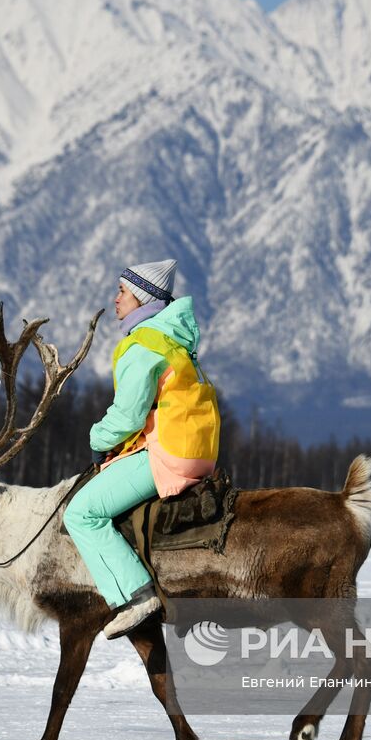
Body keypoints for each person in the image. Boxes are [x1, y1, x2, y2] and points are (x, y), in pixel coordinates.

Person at [62, 258, 221, 639]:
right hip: (198, 451)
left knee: (81, 513)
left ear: (141, 298)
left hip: (171, 453)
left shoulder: (143, 345)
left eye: (122, 291)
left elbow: (128, 416)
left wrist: (98, 440)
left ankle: (135, 597)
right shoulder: (173, 340)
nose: (115, 299)